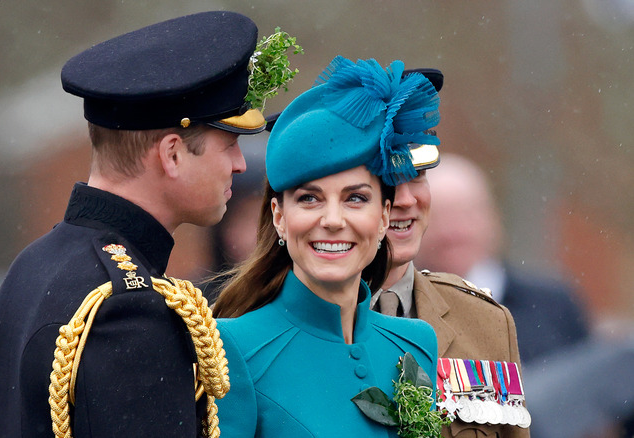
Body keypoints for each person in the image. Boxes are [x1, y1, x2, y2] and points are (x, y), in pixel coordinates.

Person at [0, 11, 272, 438]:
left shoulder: (35, 264)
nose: (239, 164)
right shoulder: (128, 310)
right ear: (172, 154)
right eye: (228, 144)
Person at [213, 56, 441, 437]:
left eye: (355, 199)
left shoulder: (417, 343)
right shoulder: (232, 347)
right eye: (309, 199)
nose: (333, 220)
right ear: (278, 216)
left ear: (385, 216)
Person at [369, 71, 530, 437]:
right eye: (387, 182)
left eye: (418, 176)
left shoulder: (485, 322)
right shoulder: (270, 324)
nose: (407, 200)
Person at [414, 153, 589, 364]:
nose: (454, 232)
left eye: (466, 214)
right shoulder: (395, 310)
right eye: (438, 217)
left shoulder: (552, 304)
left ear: (493, 218)